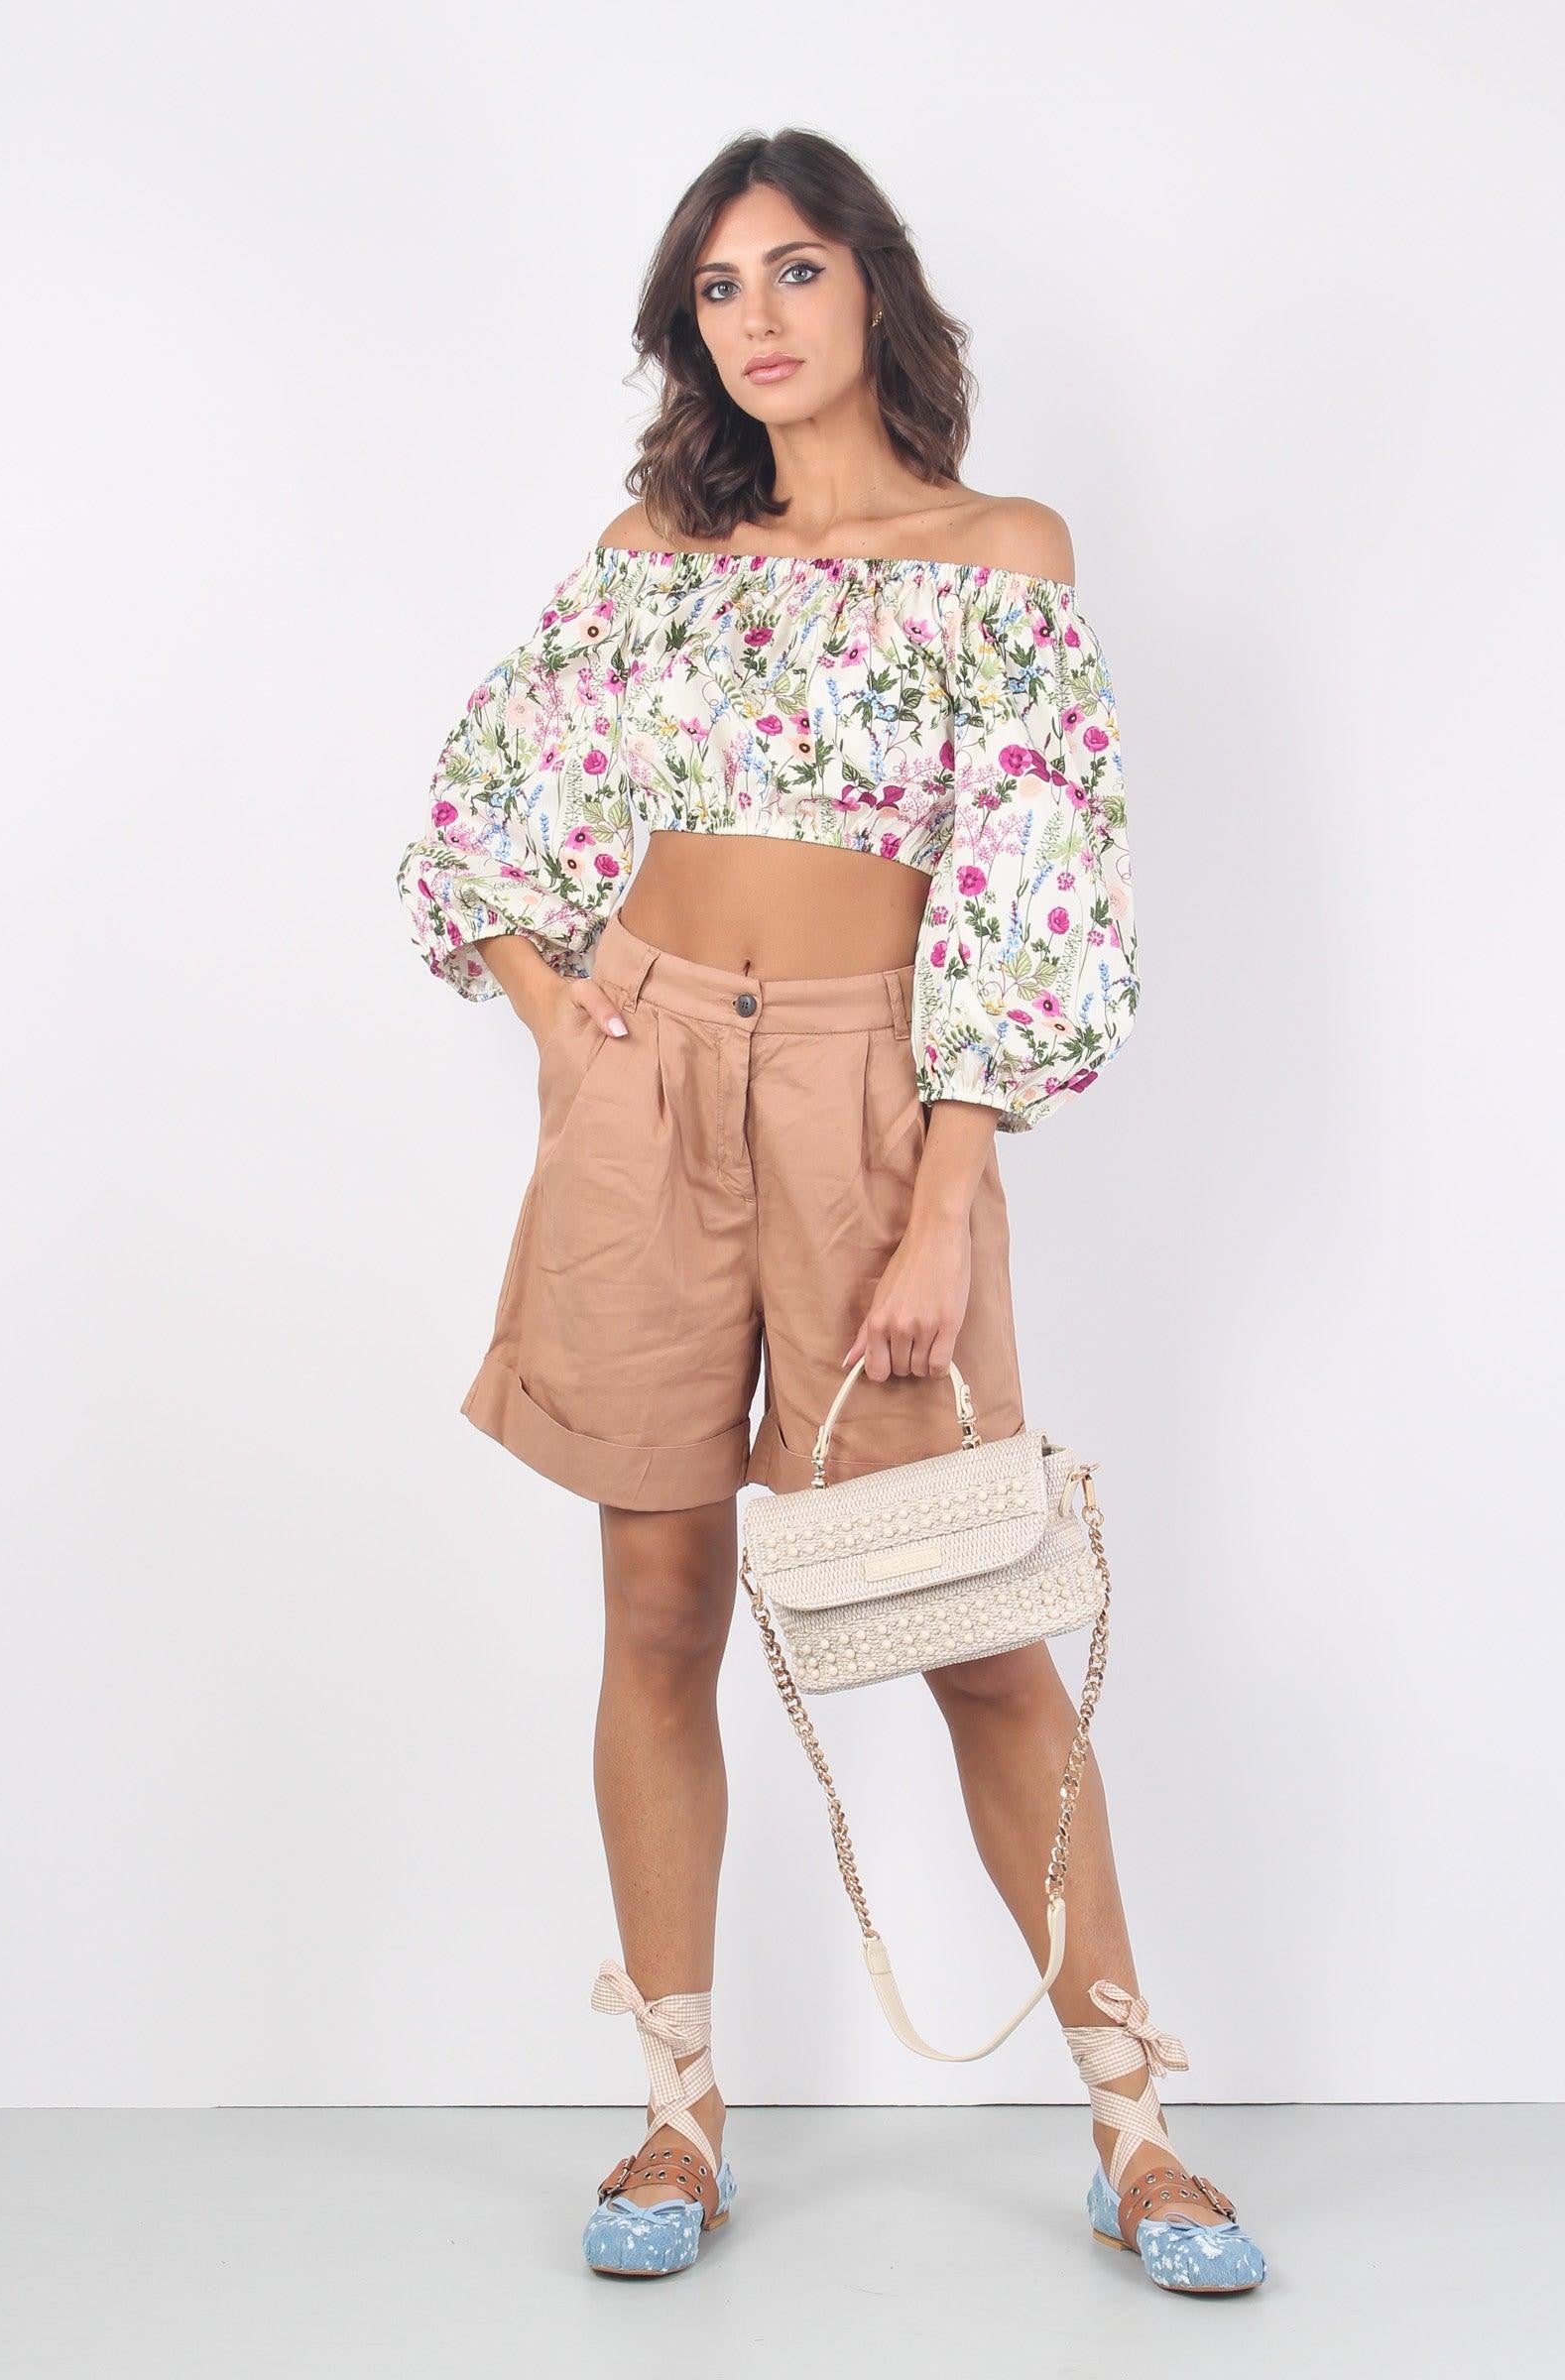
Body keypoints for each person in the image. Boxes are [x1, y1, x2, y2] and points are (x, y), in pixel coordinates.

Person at [396, 127, 1266, 2297]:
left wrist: (944, 1198)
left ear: (873, 285)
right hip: (648, 1082)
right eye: (717, 288)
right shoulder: (654, 554)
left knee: (971, 1621)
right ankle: (678, 2110)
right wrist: (557, 1020)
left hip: (877, 1099)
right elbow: (477, 809)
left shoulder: (1000, 554)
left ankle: (1133, 2126)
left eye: (794, 269)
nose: (758, 318)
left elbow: (1032, 890)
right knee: (657, 1603)